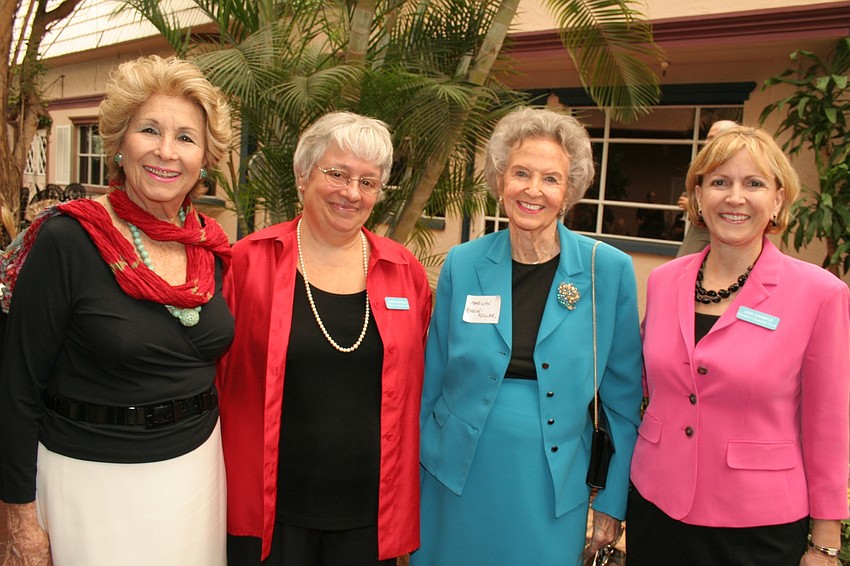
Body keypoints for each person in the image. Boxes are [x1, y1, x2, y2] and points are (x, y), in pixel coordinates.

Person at [0, 55, 234, 565]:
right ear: (120, 143)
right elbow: (17, 387)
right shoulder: (67, 239)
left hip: (195, 476)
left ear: (204, 158)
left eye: (186, 138)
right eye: (149, 130)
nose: (166, 152)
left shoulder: (208, 247)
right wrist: (17, 515)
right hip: (91, 482)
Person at [413, 107, 643, 565]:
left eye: (550, 179)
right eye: (521, 173)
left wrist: (613, 502)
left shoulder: (607, 270)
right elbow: (431, 381)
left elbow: (623, 401)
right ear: (499, 181)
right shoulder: (463, 263)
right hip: (453, 475)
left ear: (569, 191)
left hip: (551, 483)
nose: (533, 190)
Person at [628, 126, 850, 566]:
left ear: (778, 200)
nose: (735, 197)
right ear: (697, 196)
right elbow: (645, 385)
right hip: (657, 507)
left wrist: (825, 543)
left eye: (754, 183)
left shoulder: (819, 293)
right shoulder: (664, 281)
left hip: (757, 527)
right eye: (719, 182)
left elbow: (828, 424)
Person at [218, 111, 432, 565]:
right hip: (268, 517)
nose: (351, 193)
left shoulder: (404, 272)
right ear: (302, 176)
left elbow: (423, 383)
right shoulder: (247, 264)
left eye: (368, 182)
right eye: (337, 174)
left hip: (368, 520)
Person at [675, 119, 739, 257]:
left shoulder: (735, 166)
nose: (705, 143)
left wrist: (693, 206)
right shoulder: (706, 164)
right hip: (699, 228)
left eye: (711, 138)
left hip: (710, 233)